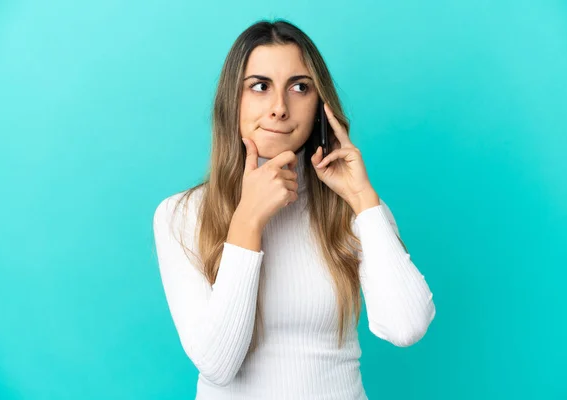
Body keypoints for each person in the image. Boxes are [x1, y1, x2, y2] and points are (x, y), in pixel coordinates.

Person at [152, 18, 436, 400]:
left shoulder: (352, 208)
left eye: (300, 87)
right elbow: (218, 365)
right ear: (231, 101)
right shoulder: (181, 215)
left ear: (320, 105)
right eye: (259, 87)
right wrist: (248, 220)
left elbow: (407, 326)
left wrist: (364, 201)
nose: (279, 108)